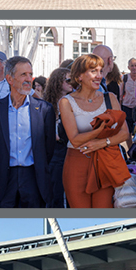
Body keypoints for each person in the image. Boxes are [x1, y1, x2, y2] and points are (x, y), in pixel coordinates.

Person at [0, 56, 55, 208]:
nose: (29, 79)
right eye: (23, 75)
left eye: (30, 74)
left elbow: (48, 148)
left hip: (33, 178)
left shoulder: (44, 109)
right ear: (9, 79)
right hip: (4, 178)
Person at [59, 54, 129, 208]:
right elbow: (75, 139)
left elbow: (124, 133)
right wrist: (101, 130)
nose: (99, 76)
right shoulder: (66, 102)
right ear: (79, 76)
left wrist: (103, 142)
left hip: (105, 162)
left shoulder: (110, 98)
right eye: (93, 71)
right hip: (77, 163)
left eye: (100, 71)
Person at [43, 68, 74, 208]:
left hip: (70, 148)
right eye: (68, 80)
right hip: (53, 151)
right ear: (57, 82)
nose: (71, 83)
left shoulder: (73, 101)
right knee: (55, 191)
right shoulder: (46, 104)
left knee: (72, 192)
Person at [121, 58, 136, 134]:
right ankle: (130, 146)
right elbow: (120, 94)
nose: (134, 68)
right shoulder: (124, 78)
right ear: (128, 67)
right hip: (127, 107)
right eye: (132, 66)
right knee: (127, 131)